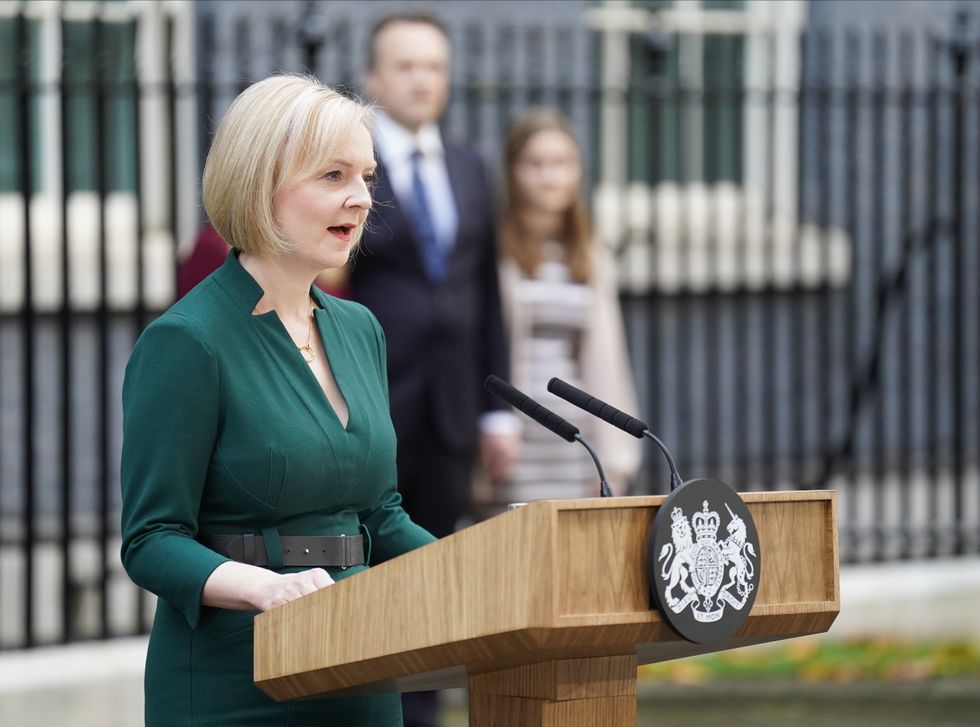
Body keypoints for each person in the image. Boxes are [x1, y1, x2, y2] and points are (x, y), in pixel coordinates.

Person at [119, 74, 434, 727]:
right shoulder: (187, 342)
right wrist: (269, 588)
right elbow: (152, 538)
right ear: (259, 182)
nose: (360, 199)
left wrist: (482, 569)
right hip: (235, 679)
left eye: (366, 178)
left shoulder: (358, 329)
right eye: (332, 175)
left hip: (361, 666)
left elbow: (380, 514)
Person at [353, 12, 517, 726]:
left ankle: (421, 707)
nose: (422, 80)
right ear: (372, 79)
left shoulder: (467, 164)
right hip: (373, 400)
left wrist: (495, 408)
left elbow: (483, 290)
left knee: (436, 564)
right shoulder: (351, 166)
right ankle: (367, 702)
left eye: (434, 67)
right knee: (369, 565)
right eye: (406, 65)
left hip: (452, 408)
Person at [477, 109, 641, 513]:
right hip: (512, 441)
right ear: (512, 172)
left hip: (572, 439)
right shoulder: (491, 248)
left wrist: (613, 458)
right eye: (534, 164)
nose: (549, 176)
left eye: (561, 163)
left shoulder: (589, 255)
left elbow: (607, 360)